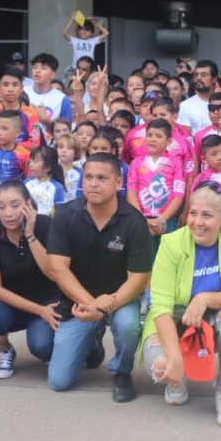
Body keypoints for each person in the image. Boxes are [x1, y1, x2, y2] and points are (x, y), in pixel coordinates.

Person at [140, 183, 221, 426]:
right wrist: (174, 358)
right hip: (173, 318)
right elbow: (160, 307)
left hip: (213, 316)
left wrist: (204, 299)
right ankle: (176, 379)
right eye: (193, 213)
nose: (197, 222)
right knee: (162, 366)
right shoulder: (171, 243)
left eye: (207, 215)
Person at [45, 153, 152, 402]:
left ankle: (121, 373)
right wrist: (91, 305)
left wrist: (105, 306)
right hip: (77, 304)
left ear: (118, 182)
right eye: (89, 177)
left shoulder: (134, 222)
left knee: (127, 325)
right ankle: (92, 342)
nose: (93, 183)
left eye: (102, 178)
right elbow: (57, 269)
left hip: (119, 300)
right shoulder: (66, 215)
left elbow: (139, 278)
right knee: (59, 382)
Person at [0, 181, 59, 378]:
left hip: (48, 299)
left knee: (42, 347)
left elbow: (53, 273)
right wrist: (39, 311)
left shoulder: (45, 225)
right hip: (10, 302)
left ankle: (69, 347)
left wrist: (30, 235)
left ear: (28, 204)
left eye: (15, 205)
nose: (8, 214)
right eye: (1, 207)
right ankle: (6, 351)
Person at [178, 60, 218, 130]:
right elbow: (185, 137)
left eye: (203, 75)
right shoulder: (186, 105)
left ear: (214, 79)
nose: (198, 78)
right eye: (196, 75)